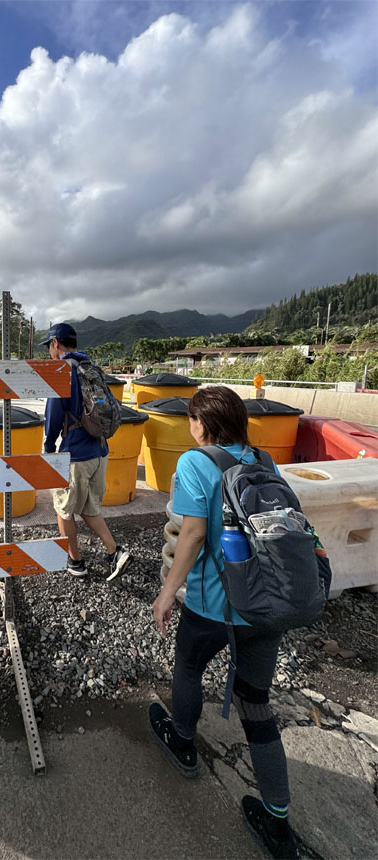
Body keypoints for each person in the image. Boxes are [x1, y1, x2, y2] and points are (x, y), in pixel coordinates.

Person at [150, 386, 299, 860]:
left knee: (189, 668)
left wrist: (168, 591)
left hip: (214, 605)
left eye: (193, 419)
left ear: (201, 422)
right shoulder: (264, 461)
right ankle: (278, 819)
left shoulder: (197, 463)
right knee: (256, 702)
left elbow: (191, 534)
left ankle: (184, 740)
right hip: (264, 605)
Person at [41, 323, 131, 580]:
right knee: (90, 507)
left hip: (75, 454)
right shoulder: (92, 367)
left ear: (56, 343)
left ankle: (76, 560)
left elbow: (53, 417)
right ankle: (115, 552)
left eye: (49, 346)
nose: (49, 352)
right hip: (100, 450)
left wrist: (50, 449)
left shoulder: (61, 370)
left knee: (64, 508)